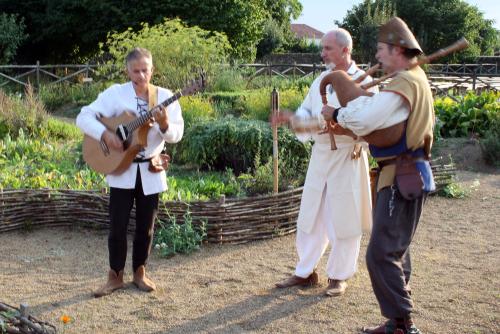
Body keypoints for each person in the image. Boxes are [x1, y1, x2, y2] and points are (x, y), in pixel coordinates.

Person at [322, 17, 435, 334]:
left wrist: (338, 114)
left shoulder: (405, 83)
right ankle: (397, 322)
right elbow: (376, 116)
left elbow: (370, 118)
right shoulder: (412, 78)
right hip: (404, 174)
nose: (378, 57)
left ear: (398, 50)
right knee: (395, 250)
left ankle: (403, 324)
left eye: (382, 50)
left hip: (403, 175)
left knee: (381, 253)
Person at [273, 28, 375, 297]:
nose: (322, 53)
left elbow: (371, 124)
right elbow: (308, 113)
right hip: (320, 156)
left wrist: (341, 124)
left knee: (344, 219)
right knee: (311, 216)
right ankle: (304, 272)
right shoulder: (322, 79)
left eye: (327, 48)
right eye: (322, 48)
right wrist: (293, 119)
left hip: (346, 157)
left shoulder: (363, 81)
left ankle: (339, 276)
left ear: (345, 50)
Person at [76, 47, 184, 298]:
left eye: (145, 70)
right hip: (120, 170)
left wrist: (165, 124)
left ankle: (140, 272)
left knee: (146, 227)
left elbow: (177, 134)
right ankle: (114, 276)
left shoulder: (165, 96)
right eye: (135, 71)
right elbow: (84, 116)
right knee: (117, 226)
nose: (140, 76)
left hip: (150, 169)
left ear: (152, 70)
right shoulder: (115, 94)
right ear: (128, 70)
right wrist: (105, 134)